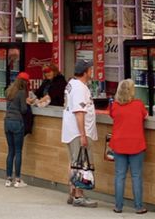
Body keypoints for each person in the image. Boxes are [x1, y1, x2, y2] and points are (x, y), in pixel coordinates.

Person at [61, 59, 98, 209]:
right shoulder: (79, 88)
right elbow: (79, 113)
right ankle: (79, 196)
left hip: (71, 130)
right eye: (90, 69)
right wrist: (83, 135)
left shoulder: (72, 84)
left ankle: (72, 191)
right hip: (78, 132)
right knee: (81, 163)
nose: (92, 71)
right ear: (85, 72)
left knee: (74, 162)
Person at [109, 78, 148, 215]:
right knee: (136, 176)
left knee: (120, 175)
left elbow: (112, 116)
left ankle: (118, 206)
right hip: (136, 144)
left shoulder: (114, 106)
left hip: (119, 144)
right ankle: (138, 207)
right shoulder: (139, 105)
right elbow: (146, 116)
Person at [4, 71, 29, 189]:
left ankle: (8, 179)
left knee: (11, 151)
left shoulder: (9, 91)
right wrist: (28, 103)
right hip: (17, 122)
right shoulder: (22, 92)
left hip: (7, 122)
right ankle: (18, 179)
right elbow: (23, 110)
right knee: (18, 151)